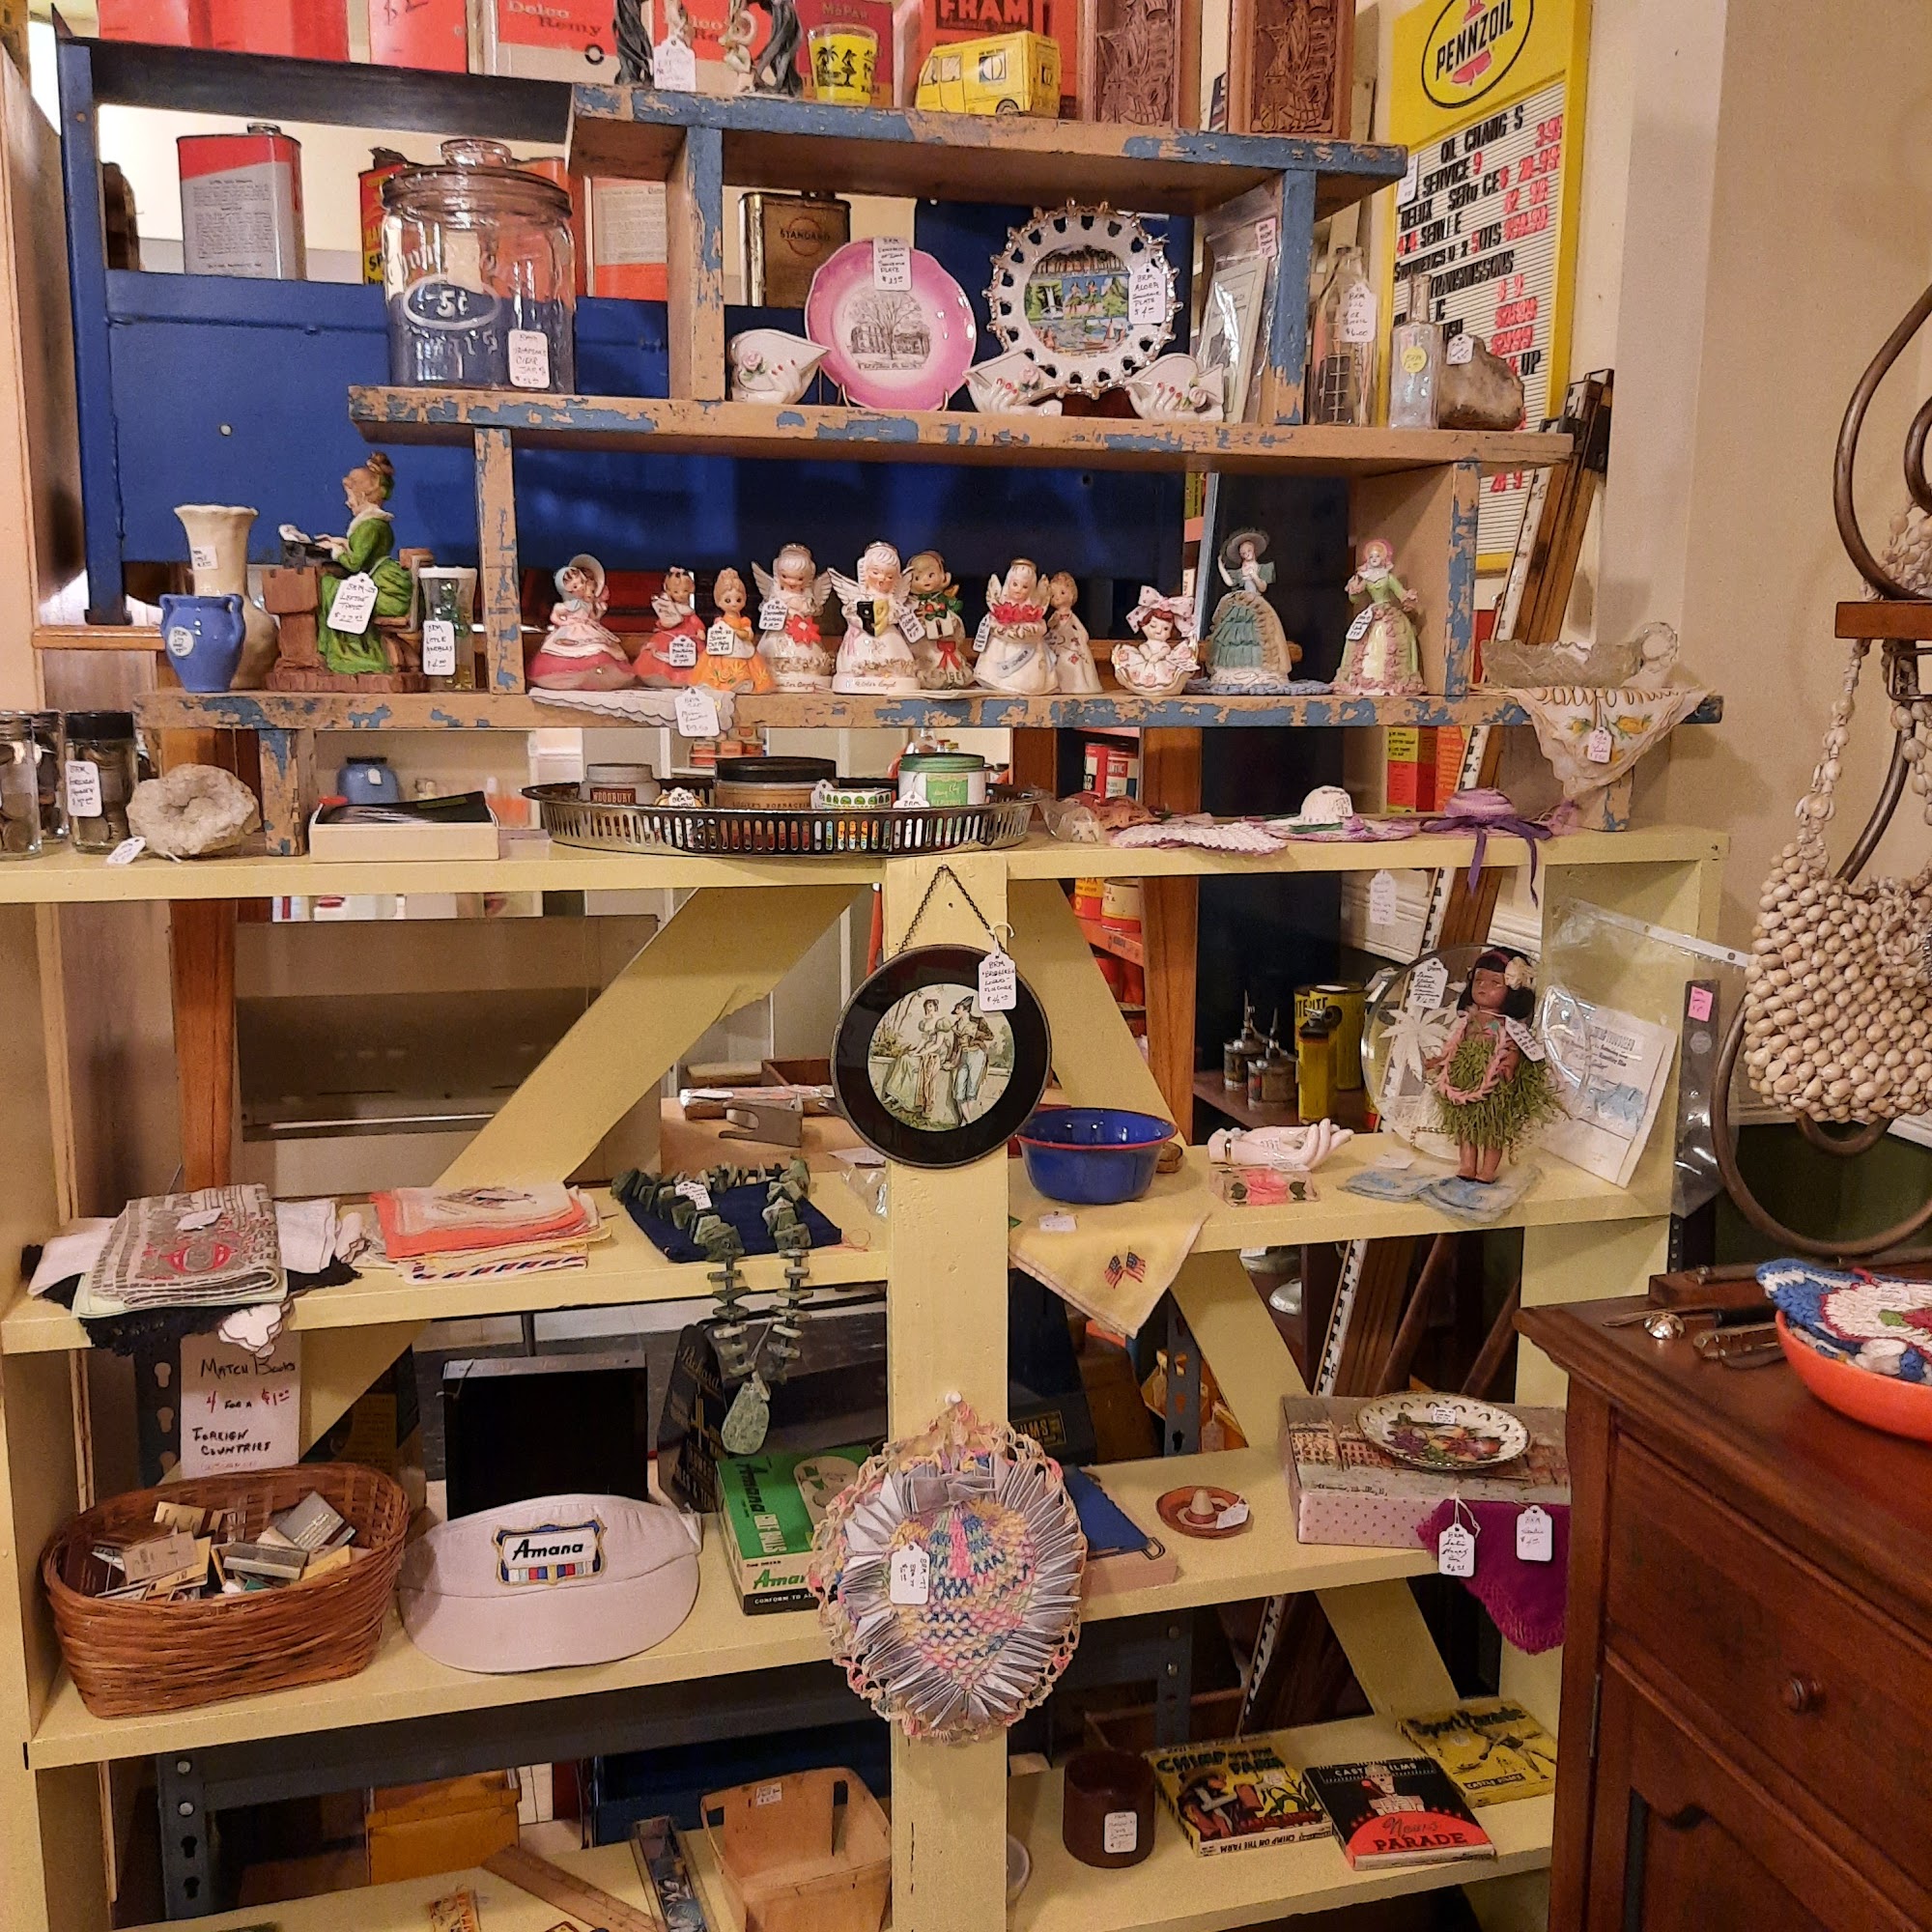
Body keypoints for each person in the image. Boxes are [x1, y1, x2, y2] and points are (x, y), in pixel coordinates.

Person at [1424, 948, 1561, 1181]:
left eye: (1494, 982)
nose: (1483, 987)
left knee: (1492, 1126)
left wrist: (1511, 1061)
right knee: (1465, 1124)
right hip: (1465, 1077)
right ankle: (1467, 1165)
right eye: (1478, 980)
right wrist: (1441, 1061)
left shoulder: (1506, 1025)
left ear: (1513, 990)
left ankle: (1487, 1170)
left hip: (1494, 1076)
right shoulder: (1469, 1019)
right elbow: (1454, 1045)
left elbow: (1512, 1044)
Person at [315, 452, 414, 676]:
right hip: (379, 580)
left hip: (383, 592)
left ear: (362, 495)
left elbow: (355, 564)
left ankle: (349, 651)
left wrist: (336, 551)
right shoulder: (374, 524)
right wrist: (341, 542)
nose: (347, 502)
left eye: (350, 497)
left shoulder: (370, 526)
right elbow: (365, 551)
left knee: (327, 585)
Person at [528, 554, 634, 689]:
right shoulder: (563, 606)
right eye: (575, 586)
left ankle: (594, 674)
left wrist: (600, 612)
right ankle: (568, 674)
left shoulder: (587, 604)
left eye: (582, 583)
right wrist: (564, 623)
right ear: (567, 590)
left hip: (587, 628)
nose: (581, 587)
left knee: (597, 648)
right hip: (570, 630)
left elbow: (593, 617)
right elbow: (554, 617)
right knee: (565, 651)